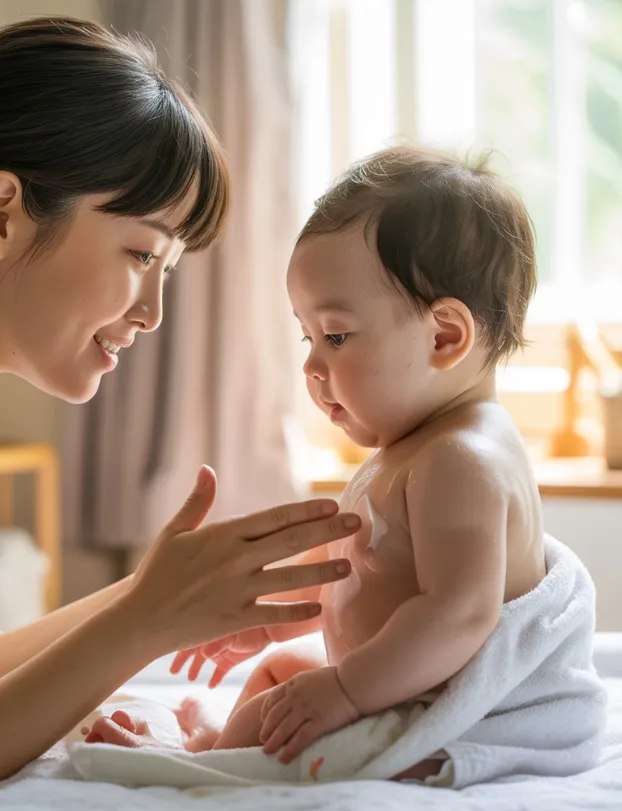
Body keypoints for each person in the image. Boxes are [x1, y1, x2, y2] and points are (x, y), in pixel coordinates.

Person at [0, 18, 362, 811]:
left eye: (167, 268)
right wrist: (139, 621)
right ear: (1, 214)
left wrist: (156, 597)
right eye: (142, 254)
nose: (153, 312)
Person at [88, 146, 547, 780]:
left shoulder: (461, 460)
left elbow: (459, 612)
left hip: (429, 709)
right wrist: (268, 623)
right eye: (308, 337)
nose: (311, 365)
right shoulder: (414, 447)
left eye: (335, 336)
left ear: (444, 337)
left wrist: (348, 691)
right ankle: (220, 741)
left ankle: (202, 765)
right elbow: (361, 562)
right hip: (383, 683)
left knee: (282, 703)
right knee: (278, 673)